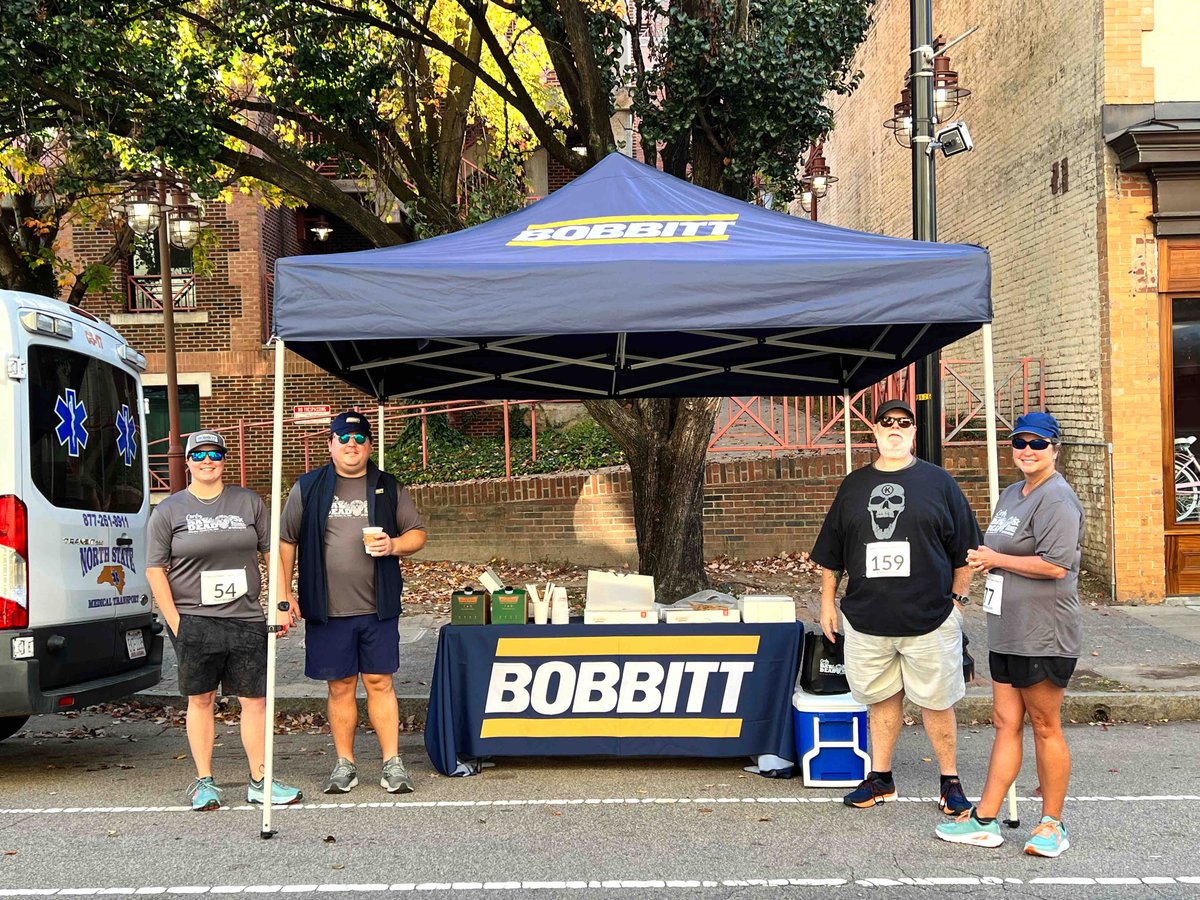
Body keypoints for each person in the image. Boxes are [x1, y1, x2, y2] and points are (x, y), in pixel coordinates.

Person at [812, 399, 980, 814]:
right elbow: (831, 554)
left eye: (903, 423)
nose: (895, 429)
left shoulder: (939, 483)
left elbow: (967, 551)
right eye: (887, 422)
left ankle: (950, 781)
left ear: (913, 433)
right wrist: (827, 605)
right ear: (875, 430)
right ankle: (881, 779)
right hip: (868, 618)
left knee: (937, 702)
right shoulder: (854, 486)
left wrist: (957, 601)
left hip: (930, 617)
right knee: (880, 699)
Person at [936, 411, 1084, 858]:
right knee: (1005, 723)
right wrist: (984, 557)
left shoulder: (1057, 499)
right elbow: (1001, 550)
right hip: (1006, 628)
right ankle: (985, 819)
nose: (1027, 450)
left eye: (1038, 443)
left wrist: (997, 561)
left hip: (1043, 632)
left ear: (1055, 449)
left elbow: (1056, 565)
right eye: (1019, 442)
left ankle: (1052, 825)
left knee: (1044, 725)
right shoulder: (1012, 493)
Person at [146, 430, 302, 811]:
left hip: (246, 617)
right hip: (194, 619)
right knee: (201, 699)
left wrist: (282, 597)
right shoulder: (169, 510)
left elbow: (271, 553)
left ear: (224, 459)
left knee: (255, 701)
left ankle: (260, 780)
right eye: (199, 455)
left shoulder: (248, 502)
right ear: (188, 463)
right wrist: (176, 621)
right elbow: (154, 570)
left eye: (215, 453)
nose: (207, 461)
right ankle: (204, 782)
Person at [278, 411, 427, 795]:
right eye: (343, 437)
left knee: (380, 682)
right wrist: (283, 592)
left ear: (370, 446)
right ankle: (345, 764)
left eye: (359, 439)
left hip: (377, 606)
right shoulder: (308, 487)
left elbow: (417, 533)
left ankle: (392, 763)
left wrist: (393, 544)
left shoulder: (387, 486)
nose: (351, 444)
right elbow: (286, 541)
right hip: (327, 608)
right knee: (341, 686)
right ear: (330, 444)